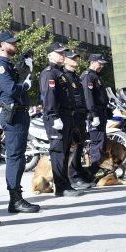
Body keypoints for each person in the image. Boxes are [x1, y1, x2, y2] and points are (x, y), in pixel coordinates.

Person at [0, 31, 39, 213]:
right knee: (15, 157)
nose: (15, 45)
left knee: (18, 156)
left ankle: (16, 196)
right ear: (1, 45)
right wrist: (25, 84)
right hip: (12, 115)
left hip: (19, 113)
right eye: (11, 43)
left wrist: (26, 70)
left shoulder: (9, 65)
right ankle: (15, 199)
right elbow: (10, 89)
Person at [39, 42, 83, 196]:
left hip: (67, 116)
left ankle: (65, 184)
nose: (63, 55)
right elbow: (48, 98)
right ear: (50, 55)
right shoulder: (49, 73)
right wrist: (54, 116)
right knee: (58, 152)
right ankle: (61, 187)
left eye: (64, 53)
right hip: (57, 117)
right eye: (59, 53)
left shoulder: (60, 73)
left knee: (64, 152)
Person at [62, 51, 92, 189]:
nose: (76, 60)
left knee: (79, 146)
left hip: (80, 115)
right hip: (72, 116)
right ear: (65, 60)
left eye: (76, 58)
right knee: (72, 148)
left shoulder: (75, 77)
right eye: (72, 58)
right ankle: (73, 176)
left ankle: (78, 173)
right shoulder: (64, 76)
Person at [81, 54, 111, 178]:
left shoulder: (96, 76)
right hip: (95, 113)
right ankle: (93, 172)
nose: (102, 66)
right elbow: (88, 98)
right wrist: (93, 114)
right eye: (100, 63)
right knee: (97, 141)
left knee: (101, 141)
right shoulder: (88, 76)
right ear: (92, 62)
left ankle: (97, 167)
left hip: (101, 112)